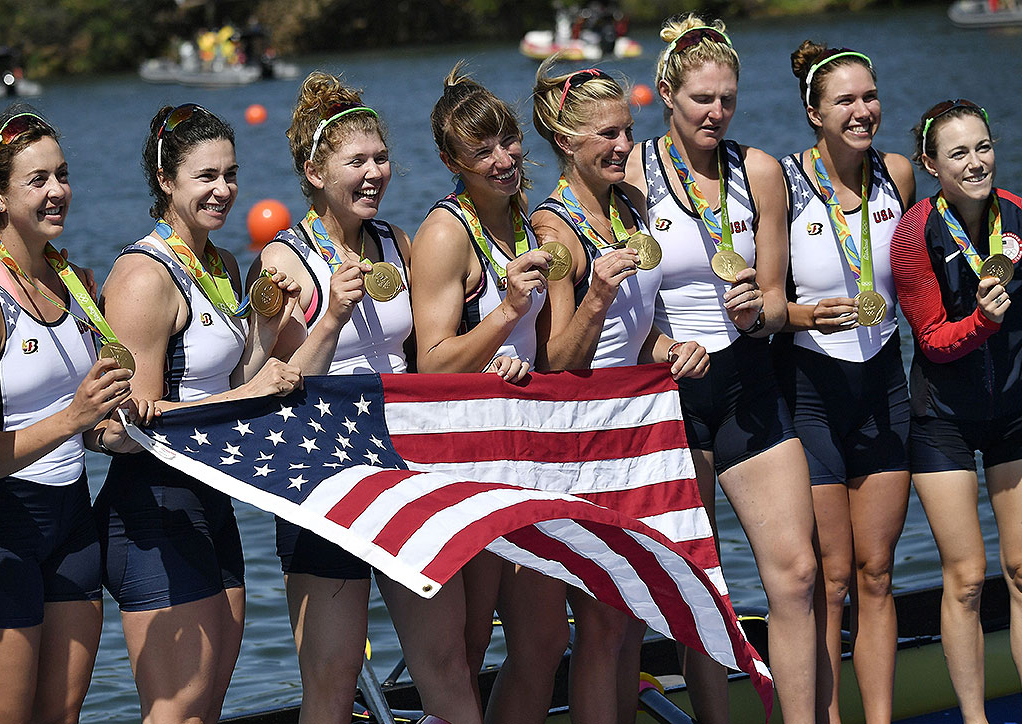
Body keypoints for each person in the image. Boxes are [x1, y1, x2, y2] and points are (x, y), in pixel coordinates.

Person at [251, 72, 481, 724]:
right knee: (332, 684)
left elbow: (426, 362)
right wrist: (328, 318)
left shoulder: (397, 245)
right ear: (315, 172)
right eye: (357, 161)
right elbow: (268, 387)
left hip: (403, 472)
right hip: (322, 481)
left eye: (380, 157)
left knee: (448, 667)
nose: (375, 172)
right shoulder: (282, 261)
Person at [622, 15, 819, 723]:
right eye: (702, 98)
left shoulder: (758, 171)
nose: (716, 112)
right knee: (697, 586)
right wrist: (661, 348)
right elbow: (620, 313)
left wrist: (754, 314)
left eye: (727, 98)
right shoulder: (634, 175)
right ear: (665, 94)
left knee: (797, 576)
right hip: (672, 397)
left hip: (747, 384)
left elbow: (772, 300)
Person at [94, 103, 301, 724]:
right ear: (166, 181)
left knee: (207, 707)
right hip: (150, 505)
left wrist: (267, 330)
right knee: (177, 711)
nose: (224, 190)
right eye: (205, 176)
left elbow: (238, 378)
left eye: (231, 174)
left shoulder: (222, 264)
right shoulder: (141, 275)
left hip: (211, 498)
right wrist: (251, 393)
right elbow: (134, 424)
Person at [530, 61, 710, 724]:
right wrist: (598, 294)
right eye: (606, 134)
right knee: (603, 631)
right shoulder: (551, 230)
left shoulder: (629, 207)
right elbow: (555, 361)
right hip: (586, 441)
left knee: (635, 624)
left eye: (628, 132)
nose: (623, 146)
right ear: (565, 141)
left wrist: (675, 350)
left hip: (643, 430)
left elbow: (640, 337)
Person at [0, 106, 133, 724]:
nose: (58, 191)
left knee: (64, 715)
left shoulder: (76, 277)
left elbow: (98, 417)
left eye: (63, 174)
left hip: (72, 519)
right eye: (38, 180)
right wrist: (74, 419)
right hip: (1, 526)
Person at [892, 98, 1022, 724]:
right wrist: (984, 323)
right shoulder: (913, 234)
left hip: (1017, 411)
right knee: (964, 578)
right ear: (931, 164)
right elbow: (932, 338)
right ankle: (975, 719)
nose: (975, 162)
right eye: (958, 153)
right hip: (943, 420)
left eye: (983, 147)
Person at [409, 64, 564, 724]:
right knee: (468, 645)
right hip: (462, 458)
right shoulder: (445, 233)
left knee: (544, 642)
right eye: (483, 152)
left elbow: (550, 352)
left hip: (525, 453)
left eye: (509, 142)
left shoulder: (526, 220)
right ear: (451, 161)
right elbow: (432, 365)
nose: (503, 159)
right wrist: (503, 313)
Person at [778, 42, 916, 724]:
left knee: (878, 573)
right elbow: (763, 303)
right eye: (845, 102)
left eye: (870, 97)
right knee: (830, 582)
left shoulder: (898, 175)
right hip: (812, 390)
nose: (863, 112)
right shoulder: (780, 182)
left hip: (885, 385)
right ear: (814, 114)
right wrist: (803, 314)